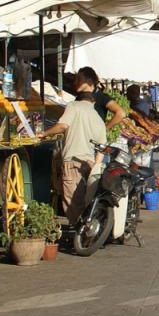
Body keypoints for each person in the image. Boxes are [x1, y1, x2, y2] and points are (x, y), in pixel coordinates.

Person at [41, 89, 106, 224]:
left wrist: (43, 134)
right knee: (85, 200)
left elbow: (62, 126)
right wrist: (95, 167)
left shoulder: (73, 106)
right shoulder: (98, 118)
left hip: (72, 161)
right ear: (92, 102)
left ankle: (80, 232)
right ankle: (86, 232)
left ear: (78, 99)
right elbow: (102, 148)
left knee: (72, 202)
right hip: (89, 163)